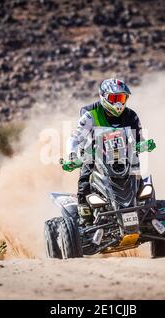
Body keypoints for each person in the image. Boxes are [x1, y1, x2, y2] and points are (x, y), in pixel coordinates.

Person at [65, 78, 144, 225]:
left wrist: (143, 144)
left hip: (124, 157)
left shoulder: (131, 116)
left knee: (140, 178)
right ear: (104, 96)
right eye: (114, 98)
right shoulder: (90, 115)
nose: (118, 103)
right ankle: (85, 213)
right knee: (85, 179)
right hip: (94, 155)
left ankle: (145, 208)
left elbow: (139, 138)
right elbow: (75, 138)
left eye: (121, 98)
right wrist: (72, 155)